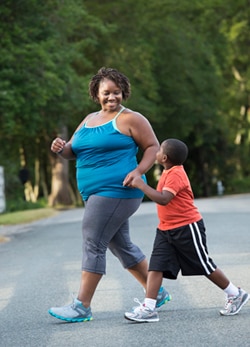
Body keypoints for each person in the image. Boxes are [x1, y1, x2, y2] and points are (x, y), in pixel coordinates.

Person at [48, 67, 170, 323]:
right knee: (121, 245)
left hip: (118, 190)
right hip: (93, 193)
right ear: (96, 93)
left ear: (123, 92)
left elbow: (152, 147)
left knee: (93, 240)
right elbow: (73, 150)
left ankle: (82, 305)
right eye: (106, 93)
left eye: (117, 92)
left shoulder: (131, 119)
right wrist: (62, 148)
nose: (112, 97)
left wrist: (138, 171)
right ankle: (155, 292)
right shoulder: (89, 119)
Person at [124, 138, 249, 323]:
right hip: (165, 229)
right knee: (156, 266)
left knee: (204, 265)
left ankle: (235, 293)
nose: (156, 153)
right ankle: (149, 308)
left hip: (187, 227)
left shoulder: (176, 174)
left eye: (159, 151)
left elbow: (164, 199)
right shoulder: (168, 172)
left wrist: (141, 185)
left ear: (164, 157)